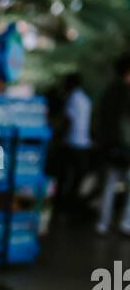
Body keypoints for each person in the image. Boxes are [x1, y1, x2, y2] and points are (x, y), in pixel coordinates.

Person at [94, 54, 130, 236]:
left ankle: (103, 223)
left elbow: (101, 118)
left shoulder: (109, 91)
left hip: (111, 145)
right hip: (123, 146)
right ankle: (125, 223)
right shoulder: (124, 92)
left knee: (109, 184)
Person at [53, 73, 92, 215]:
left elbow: (68, 120)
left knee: (63, 175)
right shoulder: (85, 99)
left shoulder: (72, 98)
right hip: (83, 143)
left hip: (71, 142)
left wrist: (59, 137)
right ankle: (70, 203)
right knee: (77, 177)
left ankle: (61, 204)